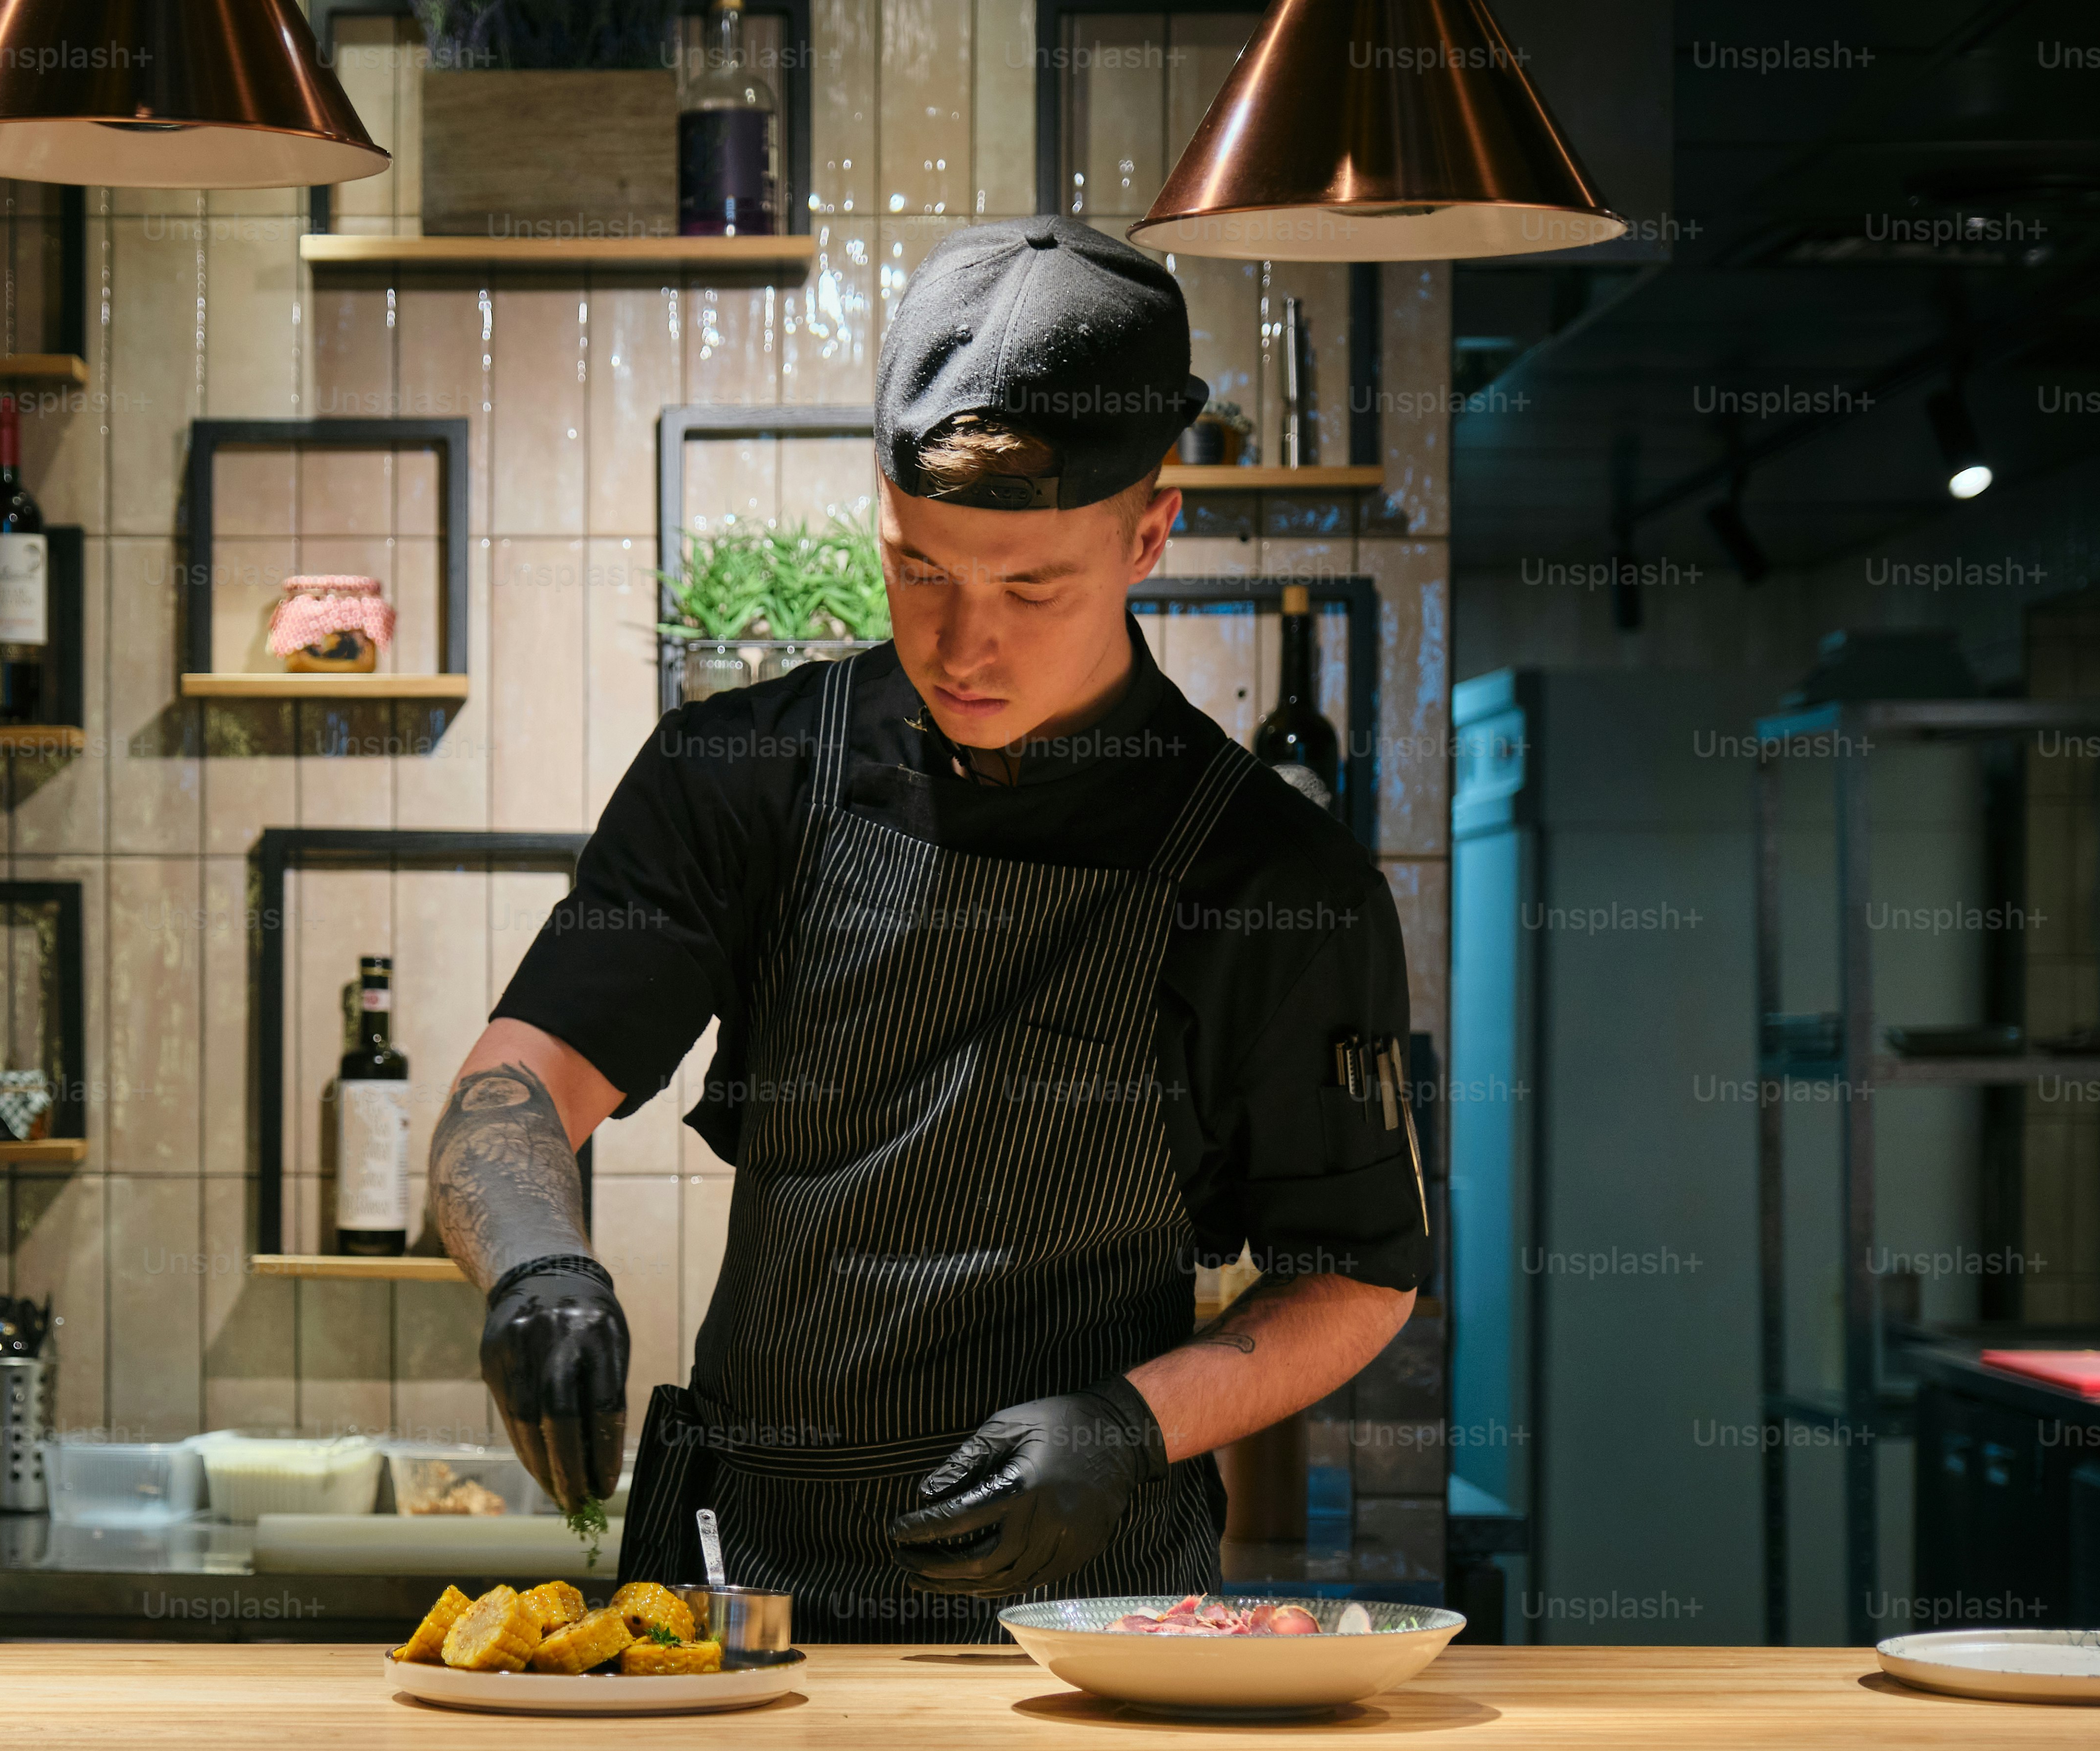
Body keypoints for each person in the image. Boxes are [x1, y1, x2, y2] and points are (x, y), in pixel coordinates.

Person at [429, 216, 1428, 1639]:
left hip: (1085, 1630)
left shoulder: (1277, 878)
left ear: (1154, 528)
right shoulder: (745, 774)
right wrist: (535, 1264)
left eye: (1032, 589)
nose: (966, 646)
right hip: (734, 1600)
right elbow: (512, 1087)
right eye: (921, 571)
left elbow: (1361, 1270)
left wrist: (1134, 1426)